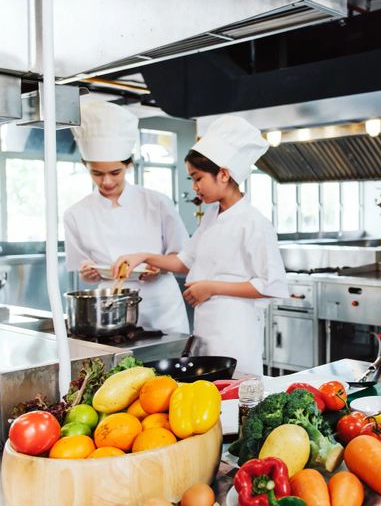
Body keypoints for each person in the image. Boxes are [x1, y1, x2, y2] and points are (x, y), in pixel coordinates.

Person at [112, 115, 289, 375]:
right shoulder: (211, 216)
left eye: (198, 178)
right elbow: (183, 261)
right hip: (207, 329)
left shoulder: (253, 223)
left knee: (236, 394)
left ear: (224, 175)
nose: (195, 187)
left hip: (235, 330)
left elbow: (271, 285)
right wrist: (142, 256)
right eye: (191, 180)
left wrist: (211, 287)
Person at [64, 101, 190, 334]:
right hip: (110, 308)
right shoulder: (75, 214)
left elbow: (182, 258)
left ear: (129, 166)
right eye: (97, 174)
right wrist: (88, 273)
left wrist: (158, 267)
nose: (107, 182)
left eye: (115, 172)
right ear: (86, 167)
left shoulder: (157, 202)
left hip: (160, 305)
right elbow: (84, 270)